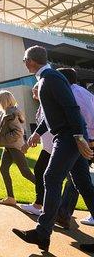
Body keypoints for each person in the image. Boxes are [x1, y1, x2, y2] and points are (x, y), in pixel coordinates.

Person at [12, 45, 94, 253]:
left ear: (30, 61)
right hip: (68, 136)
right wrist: (36, 134)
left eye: (24, 61)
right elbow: (52, 115)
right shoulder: (46, 79)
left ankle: (42, 233)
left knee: (51, 177)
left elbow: (70, 108)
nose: (24, 64)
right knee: (83, 184)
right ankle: (42, 234)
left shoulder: (51, 78)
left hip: (67, 137)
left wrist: (78, 136)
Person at [56, 68, 94, 228]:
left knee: (76, 179)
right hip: (86, 139)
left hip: (85, 140)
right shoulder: (83, 92)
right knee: (78, 178)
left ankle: (63, 213)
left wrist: (89, 139)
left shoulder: (73, 94)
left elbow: (86, 116)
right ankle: (63, 213)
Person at [0, 90, 35, 206]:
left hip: (14, 147)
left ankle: (49, 196)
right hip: (8, 147)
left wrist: (4, 139)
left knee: (25, 172)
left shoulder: (11, 113)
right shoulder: (6, 112)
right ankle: (11, 198)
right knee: (3, 169)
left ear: (3, 100)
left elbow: (18, 132)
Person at [20, 83, 53, 216]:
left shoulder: (48, 105)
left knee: (42, 171)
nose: (33, 96)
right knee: (43, 172)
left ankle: (41, 205)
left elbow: (45, 124)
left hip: (53, 146)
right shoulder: (43, 105)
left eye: (35, 93)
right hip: (48, 145)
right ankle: (48, 205)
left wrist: (31, 141)